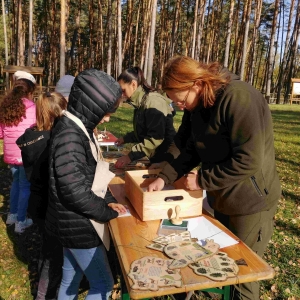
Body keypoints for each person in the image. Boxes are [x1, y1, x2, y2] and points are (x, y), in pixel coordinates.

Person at [148, 56, 281, 300]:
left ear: (196, 83)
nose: (178, 106)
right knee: (222, 265)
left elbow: (249, 161)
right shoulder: (195, 106)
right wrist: (165, 176)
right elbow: (187, 148)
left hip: (250, 202)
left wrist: (201, 181)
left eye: (180, 98)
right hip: (223, 198)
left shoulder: (239, 98)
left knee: (243, 275)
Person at [45, 68, 127, 300]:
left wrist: (109, 201)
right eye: (105, 112)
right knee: (103, 284)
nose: (108, 118)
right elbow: (74, 191)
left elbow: (90, 176)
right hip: (78, 227)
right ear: (90, 106)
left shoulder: (75, 129)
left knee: (70, 280)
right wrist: (104, 212)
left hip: (69, 224)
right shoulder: (70, 136)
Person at [16, 91, 68, 300]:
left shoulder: (30, 136)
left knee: (47, 249)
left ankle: (46, 288)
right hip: (49, 204)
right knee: (52, 254)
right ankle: (44, 294)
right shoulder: (50, 140)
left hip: (37, 203)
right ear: (56, 114)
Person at [114, 66, 176, 168]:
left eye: (123, 90)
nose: (122, 94)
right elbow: (143, 132)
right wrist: (125, 139)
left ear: (133, 84)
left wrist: (130, 156)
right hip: (156, 156)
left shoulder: (152, 102)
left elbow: (155, 137)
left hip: (166, 159)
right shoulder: (142, 103)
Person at [0, 70, 37, 234]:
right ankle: (21, 221)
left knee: (15, 183)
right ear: (29, 91)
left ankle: (12, 215)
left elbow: (0, 134)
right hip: (26, 154)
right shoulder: (33, 108)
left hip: (10, 155)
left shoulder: (5, 107)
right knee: (24, 186)